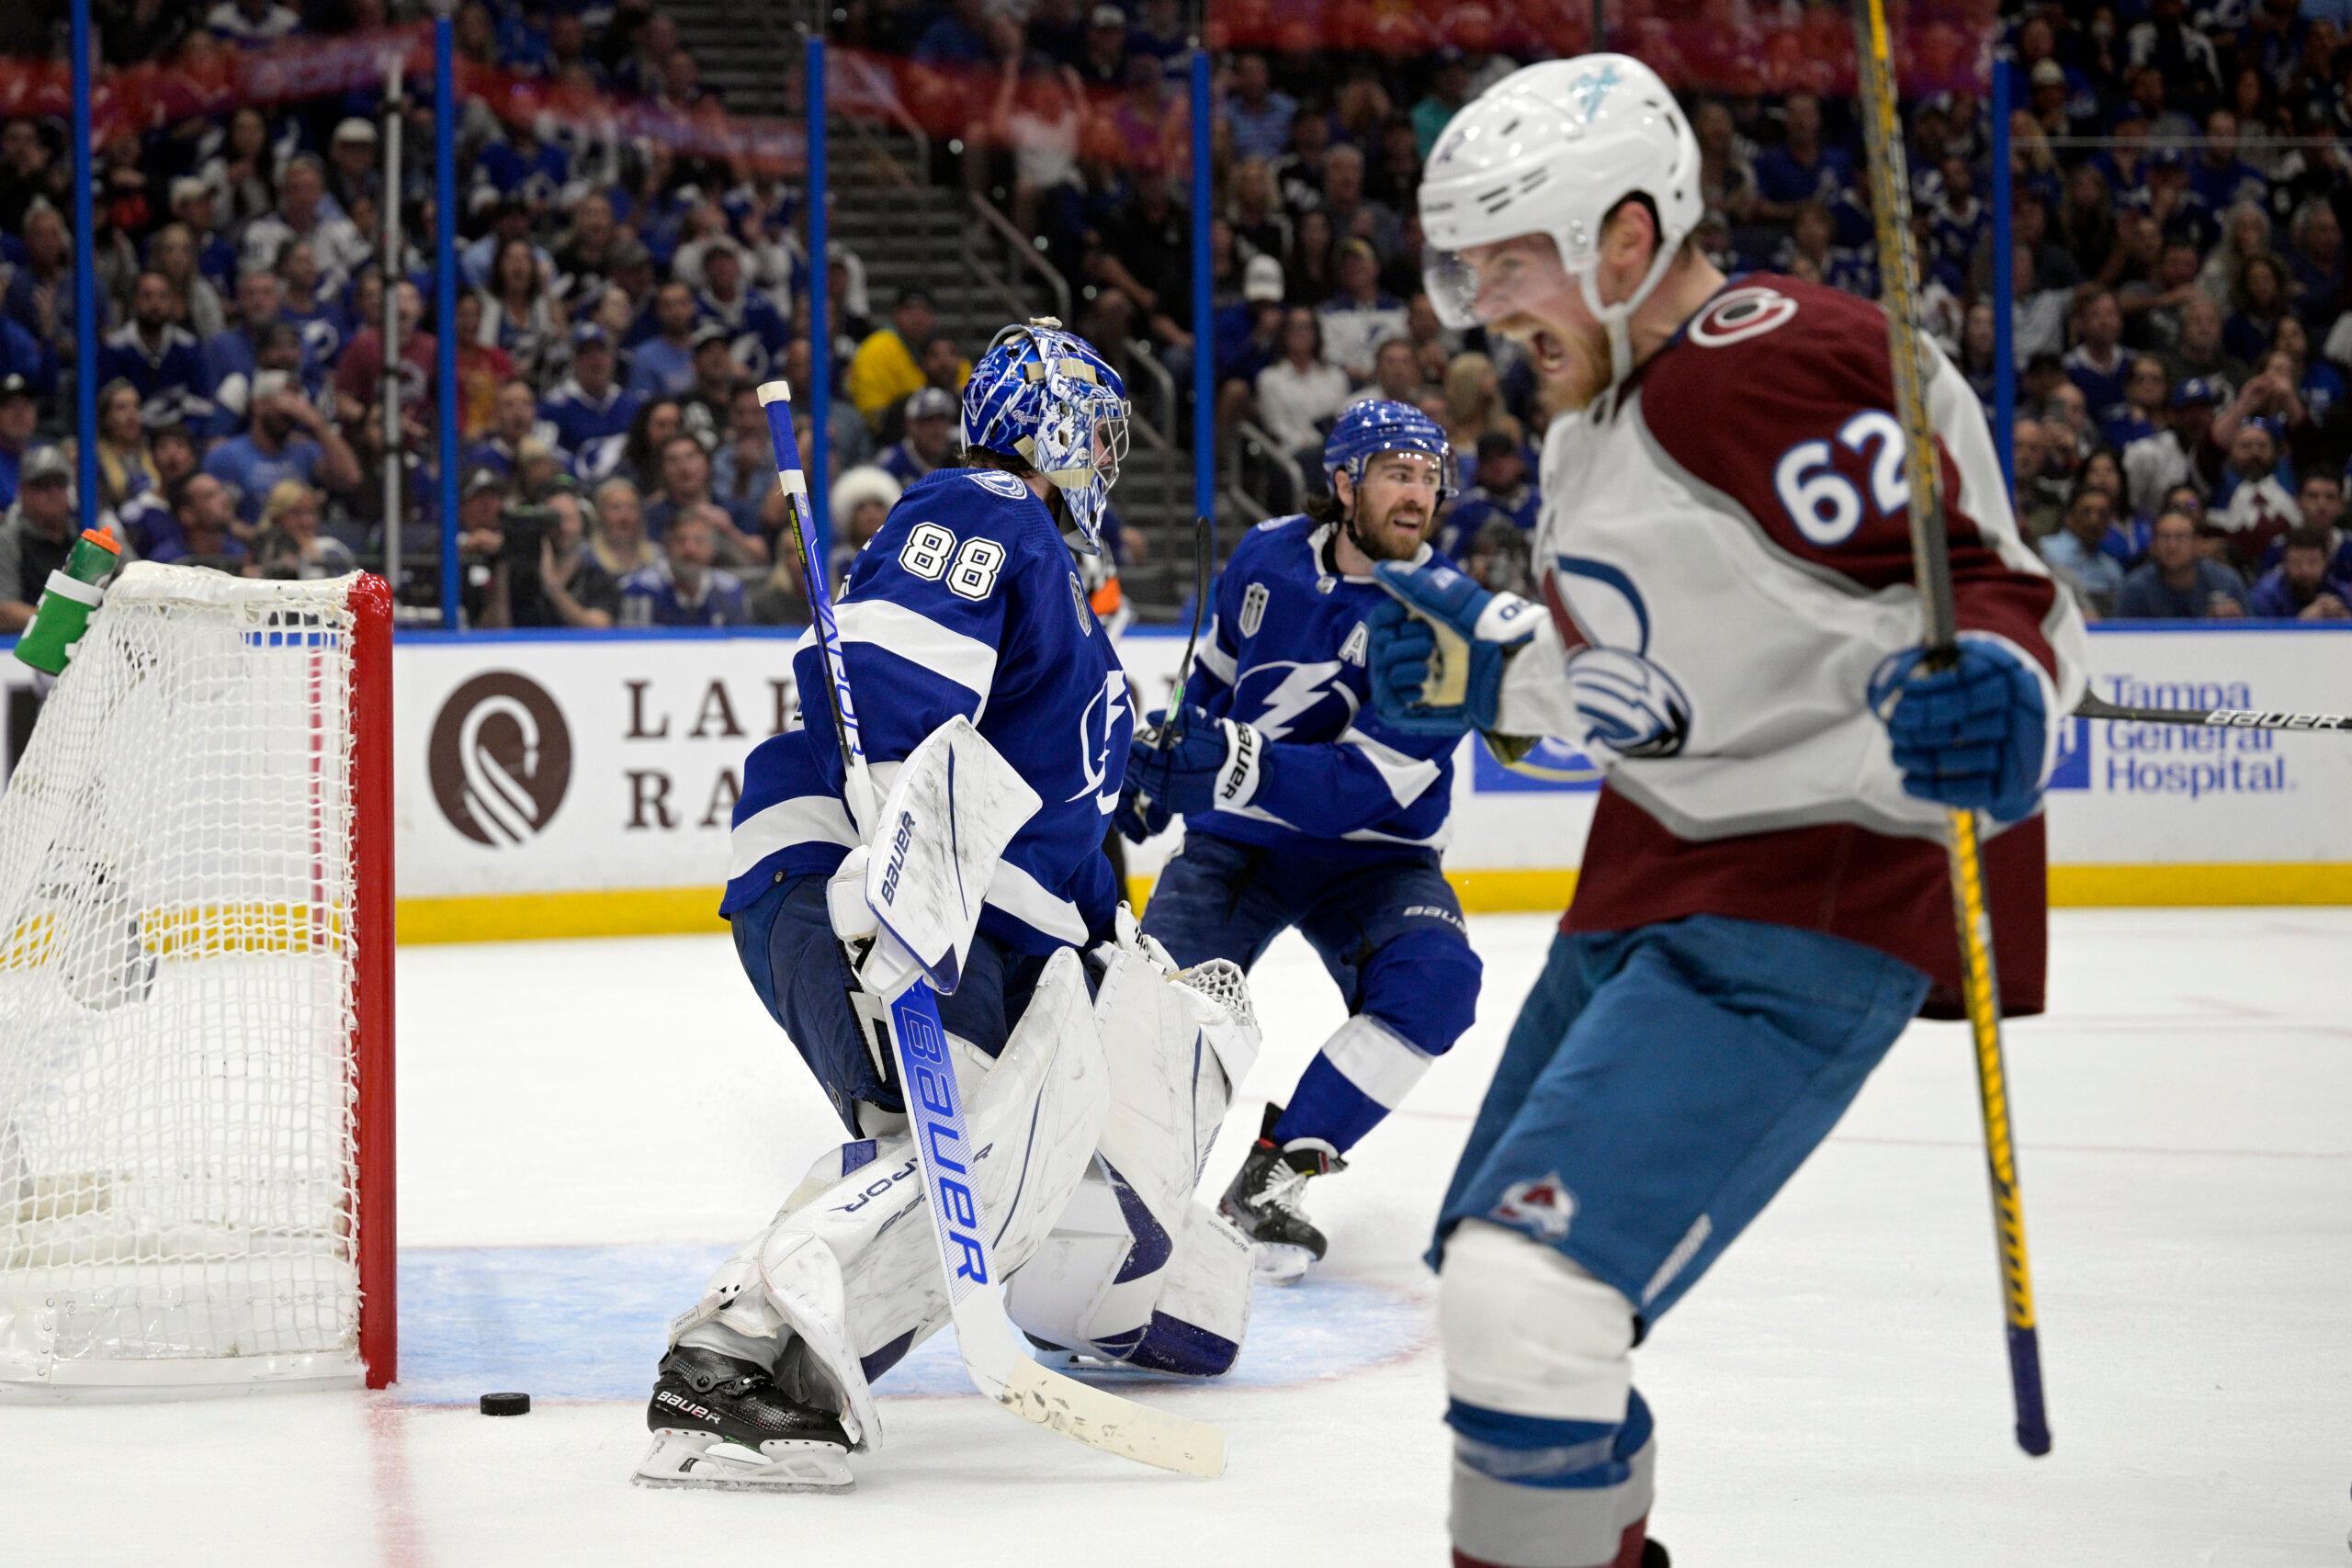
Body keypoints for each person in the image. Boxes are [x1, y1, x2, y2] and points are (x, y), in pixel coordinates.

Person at [1380, 57, 2089, 1568]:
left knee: (1532, 1300)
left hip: (1802, 895)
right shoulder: (1602, 423)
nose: (1482, 306)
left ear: (1620, 243)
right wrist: (1490, 671)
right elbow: (1650, 682)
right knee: (1516, 1314)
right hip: (1655, 880)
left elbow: (2002, 599)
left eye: (1507, 260)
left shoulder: (1769, 362)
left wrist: (2011, 700)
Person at [637, 321, 1258, 1491]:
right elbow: (884, 691)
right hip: (864, 884)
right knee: (959, 1158)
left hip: (977, 932)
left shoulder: (1069, 604)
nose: (1108, 465)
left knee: (1024, 1196)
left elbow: (1055, 829)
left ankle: (836, 1342)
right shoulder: (986, 506)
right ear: (1055, 425)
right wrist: (903, 868)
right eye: (1099, 435)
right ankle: (733, 1362)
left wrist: (1132, 826)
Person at [1116, 401, 1480, 1282]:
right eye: (1399, 472)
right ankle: (1103, 1190)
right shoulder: (1268, 555)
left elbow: (1367, 785)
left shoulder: (1448, 621)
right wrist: (1164, 761)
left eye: (1431, 478)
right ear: (1344, 482)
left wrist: (1230, 759)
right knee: (1149, 1015)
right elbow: (1212, 678)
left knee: (1436, 983)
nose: (1418, 495)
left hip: (1377, 857)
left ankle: (1277, 1173)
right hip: (1237, 845)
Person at [618, 506, 749, 627]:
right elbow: (633, 646)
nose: (689, 550)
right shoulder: (640, 589)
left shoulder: (730, 590)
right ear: (667, 547)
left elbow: (740, 644)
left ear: (712, 549)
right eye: (680, 541)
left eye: (699, 541)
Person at [2115, 509, 2247, 618]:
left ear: (2198, 544)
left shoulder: (2226, 582)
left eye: (2181, 537)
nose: (2172, 546)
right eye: (2165, 537)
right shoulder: (2135, 589)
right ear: (2152, 546)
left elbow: (2252, 633)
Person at [2039, 482, 2128, 615]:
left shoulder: (2112, 570)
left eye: (2102, 514)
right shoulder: (2045, 550)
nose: (2094, 520)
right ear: (2069, 516)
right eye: (2086, 512)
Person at [2245, 525, 2350, 620]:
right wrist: (2301, 622)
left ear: (2326, 563)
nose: (2305, 570)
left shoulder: (2340, 592)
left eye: (2313, 563)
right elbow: (2261, 638)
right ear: (2285, 562)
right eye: (2296, 562)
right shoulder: (2264, 597)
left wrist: (2344, 620)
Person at [876, 387, 956, 487]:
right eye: (928, 421)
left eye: (943, 420)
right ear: (910, 425)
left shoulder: (959, 460)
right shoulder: (891, 464)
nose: (937, 430)